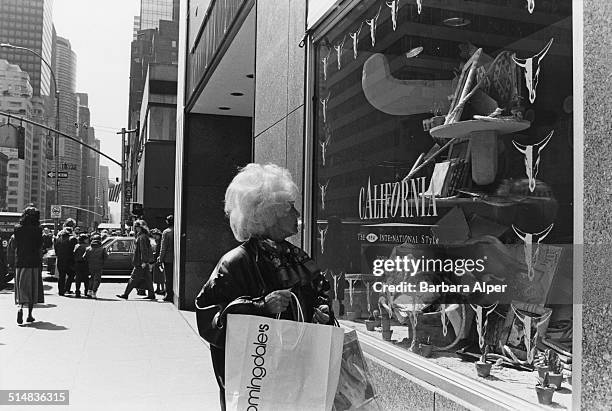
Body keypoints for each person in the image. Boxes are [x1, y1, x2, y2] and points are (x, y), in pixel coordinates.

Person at [196, 163, 333, 410]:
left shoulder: (297, 257)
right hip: (258, 382)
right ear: (270, 213)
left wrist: (322, 311)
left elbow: (320, 293)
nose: (298, 213)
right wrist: (260, 307)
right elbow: (209, 320)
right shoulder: (236, 262)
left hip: (296, 375)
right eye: (290, 207)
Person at [12, 206, 44, 324]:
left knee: (21, 287)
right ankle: (30, 315)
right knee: (32, 288)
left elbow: (15, 244)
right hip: (34, 262)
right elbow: (40, 246)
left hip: (20, 262)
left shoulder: (17, 228)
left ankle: (20, 308)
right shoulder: (38, 229)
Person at [116, 220, 156, 300]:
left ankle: (126, 294)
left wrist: (144, 261)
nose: (135, 229)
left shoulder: (141, 237)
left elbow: (143, 250)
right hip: (142, 261)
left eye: (136, 227)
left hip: (140, 262)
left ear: (139, 227)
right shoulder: (143, 236)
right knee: (148, 278)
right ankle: (151, 294)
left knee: (133, 278)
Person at [54, 219, 77, 296]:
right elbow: (74, 250)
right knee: (71, 274)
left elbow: (55, 249)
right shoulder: (72, 238)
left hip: (60, 259)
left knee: (61, 275)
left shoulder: (58, 238)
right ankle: (66, 289)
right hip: (69, 259)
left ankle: (61, 291)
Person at [85, 234, 108, 299]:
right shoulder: (102, 249)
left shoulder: (88, 248)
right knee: (97, 279)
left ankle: (89, 291)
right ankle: (94, 292)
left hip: (90, 266)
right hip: (99, 266)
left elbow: (84, 257)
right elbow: (106, 257)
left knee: (91, 278)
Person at [159, 214, 174, 302]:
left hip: (168, 258)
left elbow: (163, 247)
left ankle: (168, 294)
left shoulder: (166, 232)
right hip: (176, 258)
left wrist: (160, 259)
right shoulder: (176, 230)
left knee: (168, 278)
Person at [73, 234, 89, 298]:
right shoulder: (87, 246)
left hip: (77, 263)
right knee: (86, 278)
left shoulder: (77, 246)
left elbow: (74, 253)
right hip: (85, 263)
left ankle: (77, 292)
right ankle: (86, 291)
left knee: (78, 278)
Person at [150, 228, 164, 295]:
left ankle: (162, 289)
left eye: (155, 235)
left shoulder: (161, 240)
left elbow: (160, 250)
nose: (154, 237)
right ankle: (158, 288)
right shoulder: (157, 241)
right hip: (156, 259)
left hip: (159, 259)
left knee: (161, 275)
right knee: (157, 275)